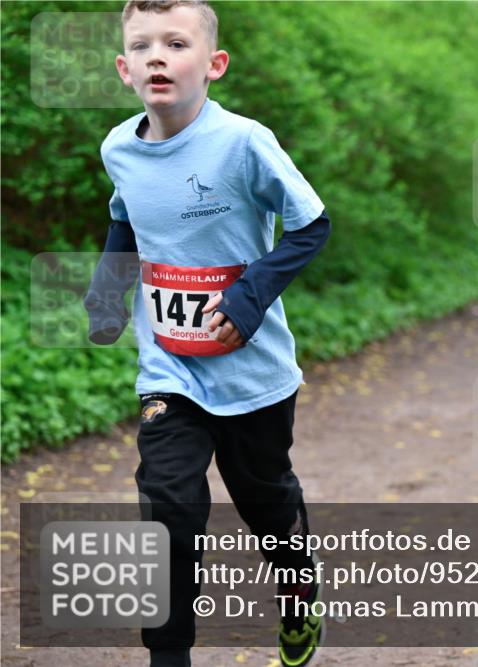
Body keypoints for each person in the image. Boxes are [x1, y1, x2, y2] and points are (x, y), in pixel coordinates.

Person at [84, 2, 330, 665]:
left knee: (266, 503)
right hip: (171, 368)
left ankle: (300, 592)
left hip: (254, 374)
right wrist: (108, 294)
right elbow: (126, 221)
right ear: (124, 68)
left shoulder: (244, 142)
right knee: (168, 507)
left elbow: (312, 223)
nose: (157, 56)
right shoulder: (119, 149)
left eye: (175, 42)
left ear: (214, 64)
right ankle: (169, 655)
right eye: (142, 46)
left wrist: (249, 295)